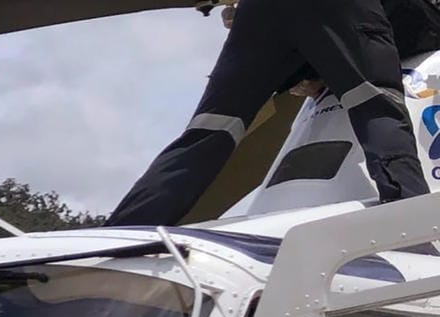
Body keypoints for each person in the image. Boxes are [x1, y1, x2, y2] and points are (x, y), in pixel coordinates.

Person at [107, 0, 437, 227]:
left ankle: (123, 230)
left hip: (262, 12)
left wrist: (312, 69)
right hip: (343, 15)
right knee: (377, 107)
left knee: (208, 133)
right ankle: (411, 223)